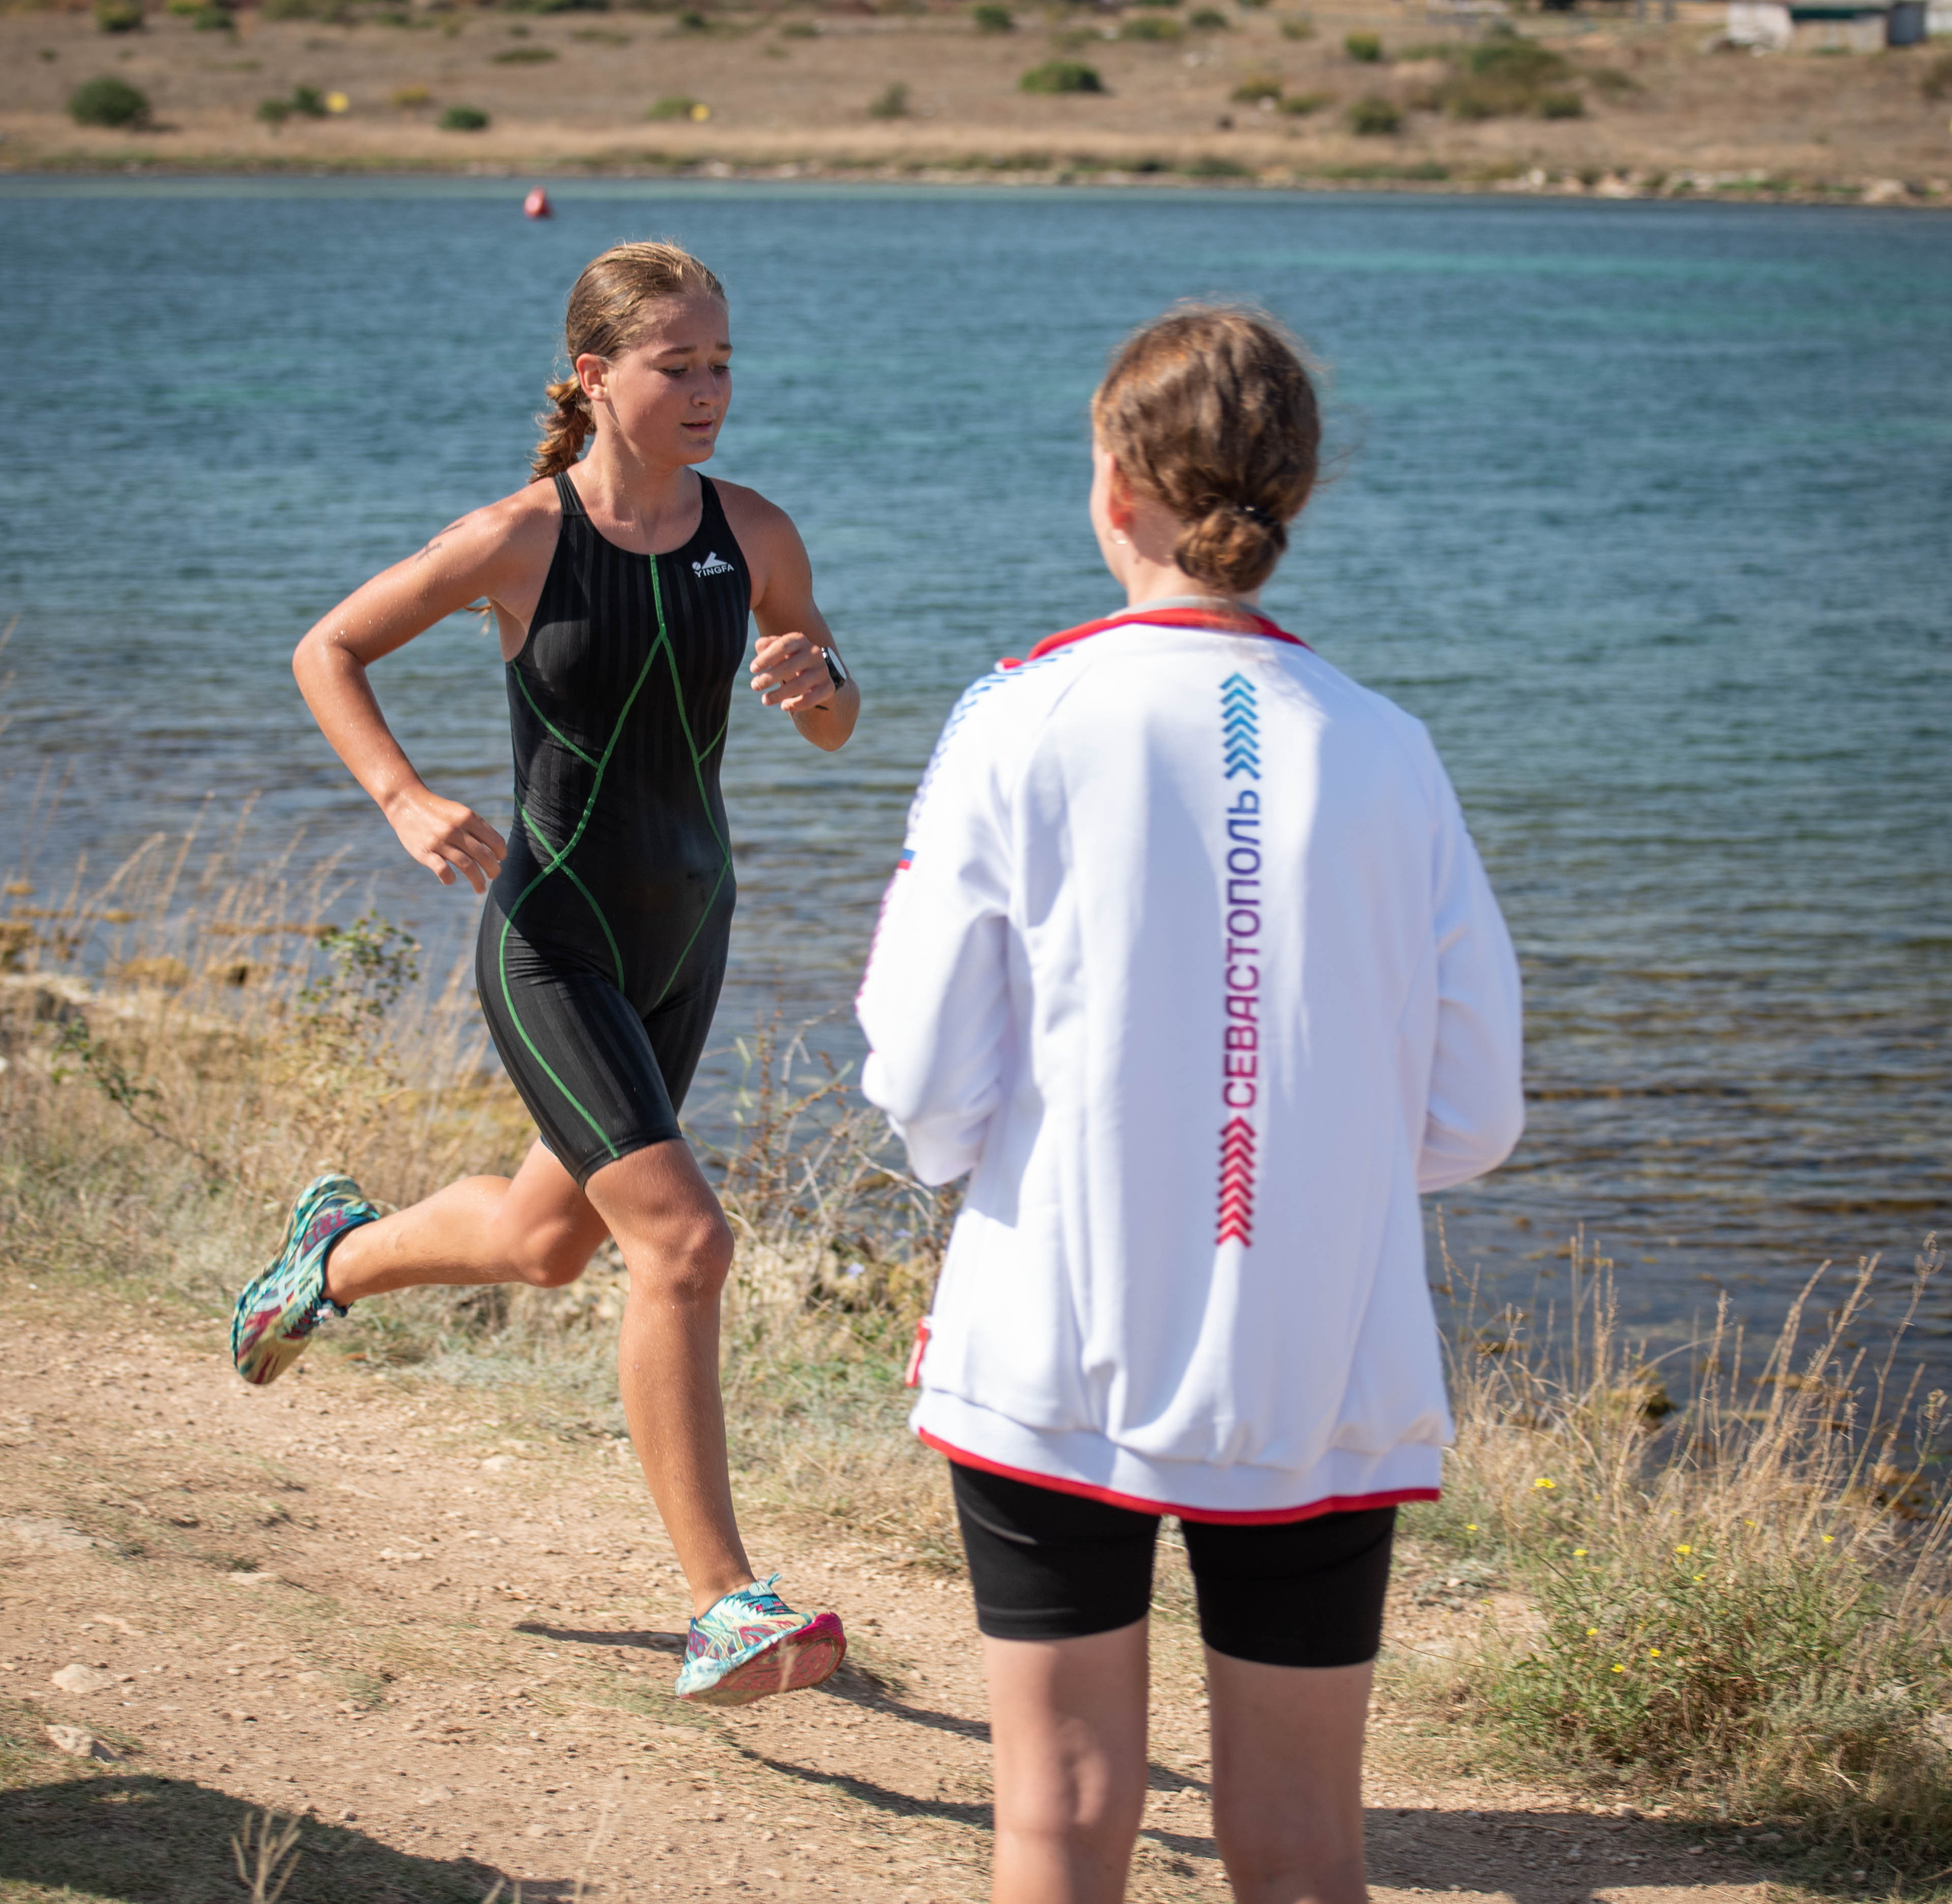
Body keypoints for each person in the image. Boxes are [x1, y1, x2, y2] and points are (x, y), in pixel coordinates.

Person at [856, 306, 1523, 1902]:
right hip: (1318, 1353)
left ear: (1113, 485)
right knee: (1301, 1849)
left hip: (1049, 1331)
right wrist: (1313, 1165)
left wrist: (989, 1162)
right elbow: (1473, 1112)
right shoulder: (1390, 747)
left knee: (1062, 1815)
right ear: (1291, 495)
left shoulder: (1018, 715)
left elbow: (921, 1071)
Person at [232, 240, 854, 1709]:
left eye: (721, 363)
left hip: (688, 937)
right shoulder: (520, 537)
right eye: (676, 364)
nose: (707, 390)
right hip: (555, 937)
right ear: (595, 374)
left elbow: (830, 715)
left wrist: (819, 684)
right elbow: (330, 648)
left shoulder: (755, 532)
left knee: (544, 1240)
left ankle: (331, 1256)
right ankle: (723, 1604)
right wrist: (402, 798)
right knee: (682, 1243)